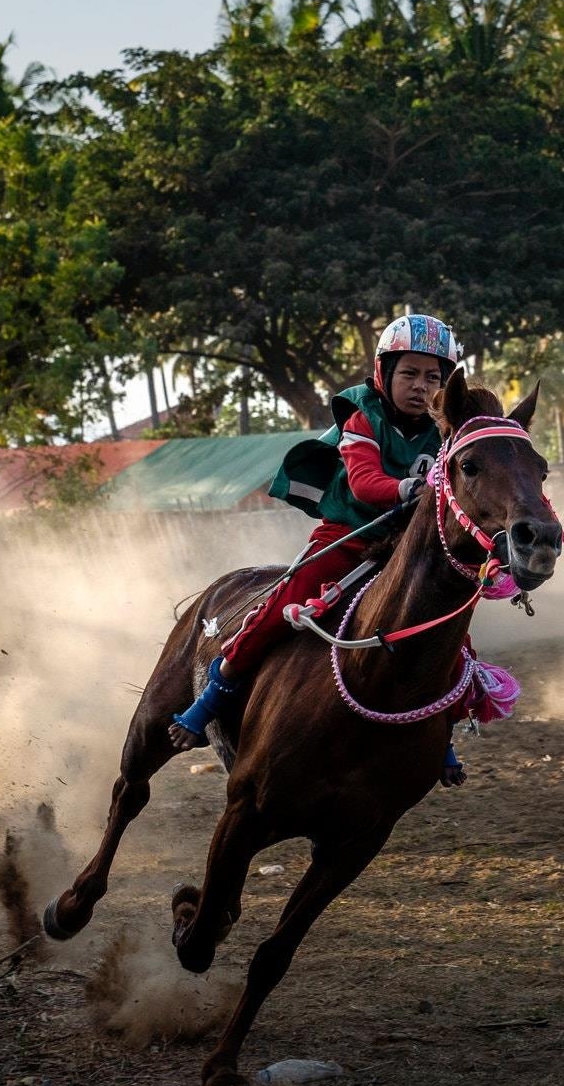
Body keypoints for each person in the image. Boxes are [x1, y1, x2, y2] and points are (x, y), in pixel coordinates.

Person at [168, 312, 458, 754]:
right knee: (284, 601)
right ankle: (211, 698)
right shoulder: (362, 414)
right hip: (348, 536)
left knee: (451, 632)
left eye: (433, 377)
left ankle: (440, 737)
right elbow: (363, 482)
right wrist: (409, 488)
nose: (421, 386)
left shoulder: (447, 431)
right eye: (410, 374)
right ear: (385, 372)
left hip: (406, 549)